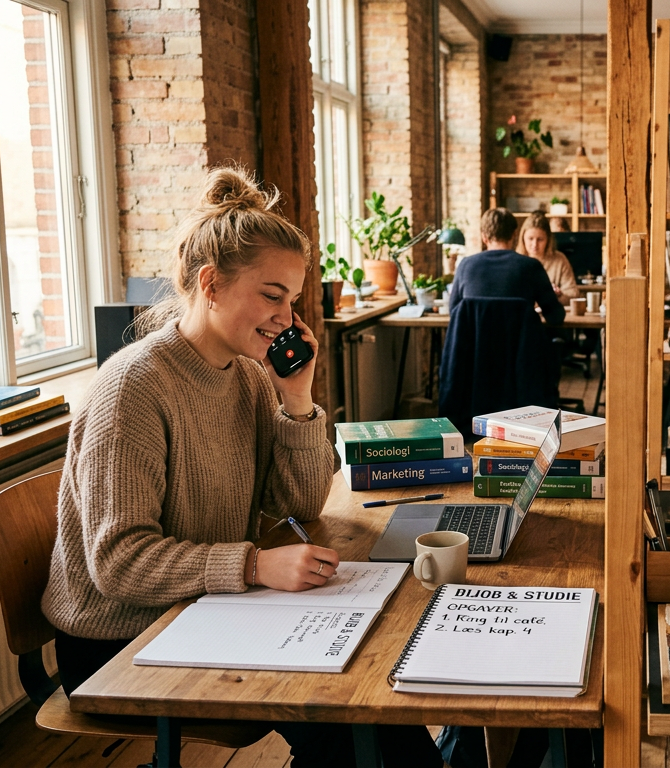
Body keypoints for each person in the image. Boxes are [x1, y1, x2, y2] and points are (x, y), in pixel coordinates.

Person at [40, 167, 441, 768]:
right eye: (272, 296)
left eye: (294, 301)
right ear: (211, 284)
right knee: (349, 724)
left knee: (373, 712)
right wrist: (254, 563)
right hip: (120, 639)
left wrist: (298, 399)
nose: (286, 317)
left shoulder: (251, 377)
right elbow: (117, 563)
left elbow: (303, 507)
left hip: (208, 608)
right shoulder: (133, 388)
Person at [445, 208, 565, 324]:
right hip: (520, 344)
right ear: (514, 235)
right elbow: (555, 316)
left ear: (484, 237)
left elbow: (454, 313)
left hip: (475, 344)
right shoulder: (532, 267)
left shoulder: (465, 266)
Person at [517, 211, 580, 300]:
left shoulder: (559, 259)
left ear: (548, 240)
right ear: (523, 238)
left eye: (540, 239)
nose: (534, 244)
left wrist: (558, 295)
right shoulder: (515, 260)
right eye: (530, 239)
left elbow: (573, 294)